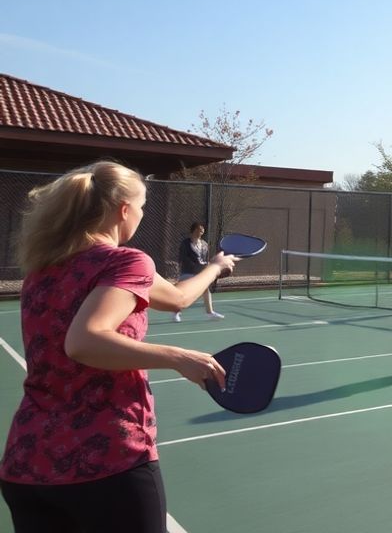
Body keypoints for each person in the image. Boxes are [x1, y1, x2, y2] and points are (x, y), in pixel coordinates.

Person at [1, 161, 239, 533]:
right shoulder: (128, 261)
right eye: (142, 207)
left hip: (27, 464)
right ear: (124, 210)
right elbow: (84, 341)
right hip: (107, 461)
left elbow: (177, 297)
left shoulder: (42, 269)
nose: (142, 215)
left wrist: (215, 267)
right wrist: (180, 358)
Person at [173, 221, 223, 322]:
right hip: (187, 272)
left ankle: (210, 313)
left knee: (206, 290)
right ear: (194, 230)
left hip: (199, 272)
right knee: (182, 293)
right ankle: (176, 313)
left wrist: (206, 265)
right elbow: (183, 257)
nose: (201, 231)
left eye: (202, 230)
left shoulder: (204, 244)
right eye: (199, 230)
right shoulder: (185, 243)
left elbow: (205, 258)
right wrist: (196, 264)